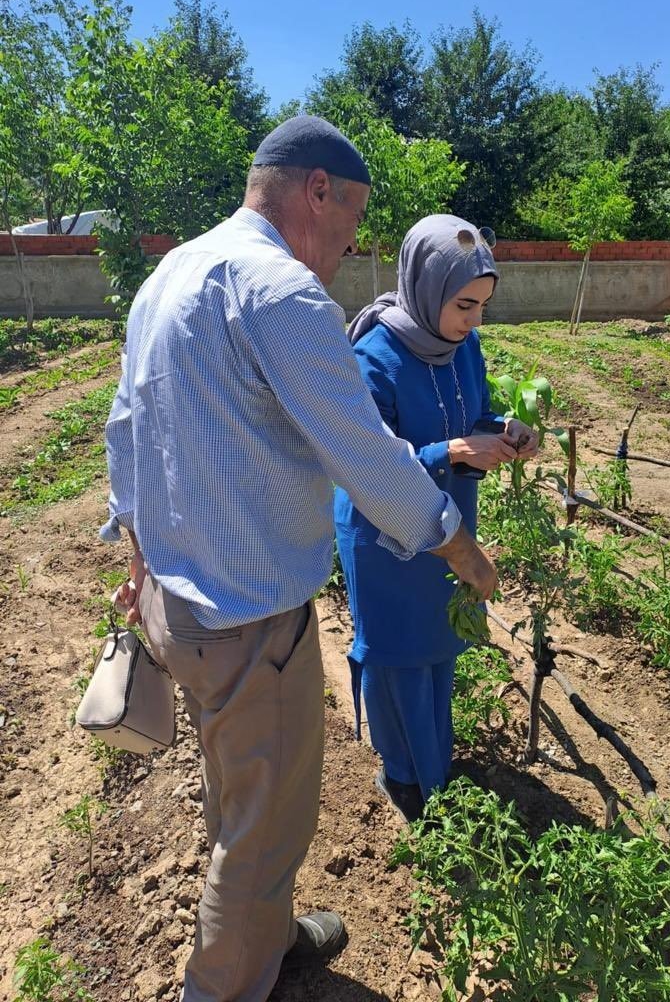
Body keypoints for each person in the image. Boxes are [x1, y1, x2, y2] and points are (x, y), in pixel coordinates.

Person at [100, 117, 497, 1002]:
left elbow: (125, 429)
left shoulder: (170, 274)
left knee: (243, 798)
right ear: (318, 191)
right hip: (249, 623)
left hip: (178, 603)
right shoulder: (280, 292)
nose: (348, 253)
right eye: (351, 227)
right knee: (265, 830)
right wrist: (456, 542)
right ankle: (226, 985)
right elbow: (365, 453)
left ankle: (269, 937)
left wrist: (133, 556)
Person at [335, 215, 539, 823]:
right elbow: (370, 463)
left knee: (440, 642)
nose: (474, 320)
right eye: (464, 304)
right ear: (425, 289)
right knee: (397, 653)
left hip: (449, 520)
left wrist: (503, 429)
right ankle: (402, 777)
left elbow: (469, 415)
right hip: (385, 535)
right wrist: (451, 451)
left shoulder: (462, 347)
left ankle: (436, 766)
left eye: (481, 305)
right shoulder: (374, 357)